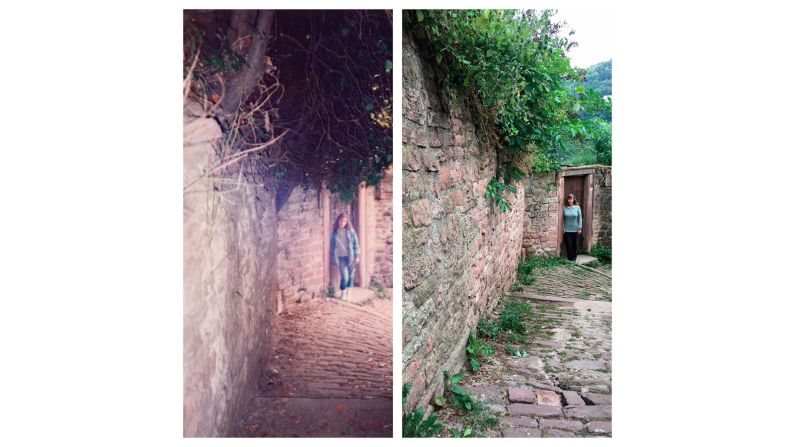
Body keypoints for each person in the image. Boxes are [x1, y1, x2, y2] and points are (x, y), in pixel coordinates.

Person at [330, 213, 360, 300]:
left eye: (344, 221)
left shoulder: (351, 232)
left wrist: (357, 256)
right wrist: (333, 257)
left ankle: (349, 294)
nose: (342, 223)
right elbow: (332, 246)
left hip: (351, 257)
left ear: (346, 222)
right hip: (340, 257)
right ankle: (343, 293)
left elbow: (356, 244)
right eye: (341, 221)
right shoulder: (334, 232)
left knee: (351, 276)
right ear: (338, 221)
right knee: (345, 276)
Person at [562, 193, 582, 263]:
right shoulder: (564, 208)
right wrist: (563, 228)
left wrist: (579, 228)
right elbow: (562, 219)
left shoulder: (577, 207)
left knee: (574, 245)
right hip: (567, 230)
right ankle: (570, 258)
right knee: (568, 245)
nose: (570, 200)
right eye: (569, 199)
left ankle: (574, 257)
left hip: (575, 229)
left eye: (571, 199)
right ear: (567, 200)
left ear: (573, 200)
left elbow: (580, 218)